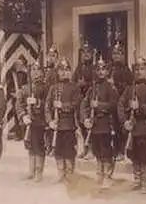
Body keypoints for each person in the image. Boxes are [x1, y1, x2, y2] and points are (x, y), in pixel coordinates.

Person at [118, 57, 146, 194]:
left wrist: (140, 107)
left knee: (144, 155)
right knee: (133, 154)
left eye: (142, 69)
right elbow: (121, 104)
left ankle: (145, 181)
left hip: (144, 127)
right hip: (132, 128)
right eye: (136, 69)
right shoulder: (129, 89)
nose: (139, 72)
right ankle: (137, 179)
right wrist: (125, 121)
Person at [79, 56, 119, 189]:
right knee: (96, 149)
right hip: (94, 124)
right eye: (98, 69)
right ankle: (99, 173)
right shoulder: (92, 89)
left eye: (103, 69)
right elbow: (84, 105)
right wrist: (85, 119)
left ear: (107, 72)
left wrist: (99, 105)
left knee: (106, 150)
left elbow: (114, 105)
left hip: (106, 123)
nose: (101, 72)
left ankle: (107, 175)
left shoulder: (110, 88)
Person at [45, 58, 81, 183]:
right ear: (57, 72)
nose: (64, 73)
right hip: (56, 126)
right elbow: (47, 106)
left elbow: (76, 104)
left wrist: (63, 106)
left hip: (69, 125)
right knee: (58, 150)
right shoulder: (53, 88)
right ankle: (61, 173)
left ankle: (69, 174)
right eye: (61, 70)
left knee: (69, 150)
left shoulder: (74, 88)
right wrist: (50, 121)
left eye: (67, 70)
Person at [15, 61, 49, 182]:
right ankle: (31, 170)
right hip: (28, 121)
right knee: (30, 145)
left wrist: (38, 103)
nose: (35, 72)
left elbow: (49, 104)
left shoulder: (46, 88)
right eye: (33, 70)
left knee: (39, 146)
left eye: (37, 69)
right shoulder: (25, 88)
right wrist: (23, 115)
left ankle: (39, 171)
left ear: (42, 72)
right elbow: (19, 104)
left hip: (40, 120)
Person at [108, 42, 134, 161]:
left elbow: (129, 87)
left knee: (120, 128)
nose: (116, 56)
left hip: (121, 103)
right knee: (111, 128)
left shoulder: (126, 70)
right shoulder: (108, 68)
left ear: (123, 55)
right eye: (114, 53)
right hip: (109, 103)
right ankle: (113, 150)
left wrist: (116, 86)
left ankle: (122, 150)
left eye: (119, 53)